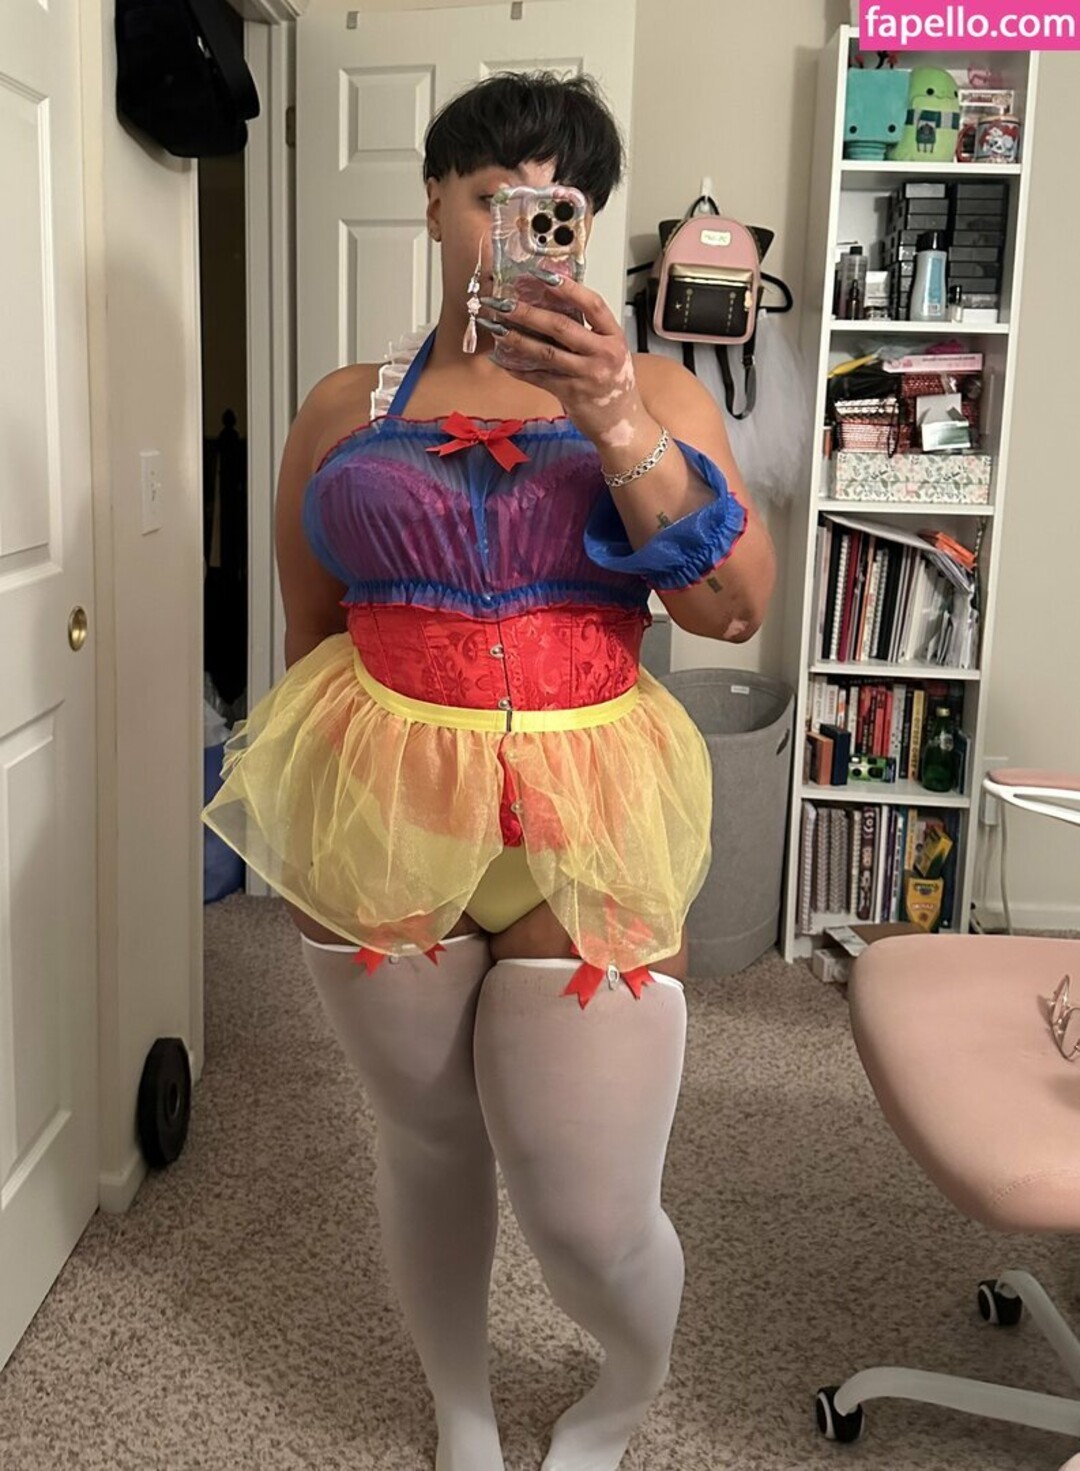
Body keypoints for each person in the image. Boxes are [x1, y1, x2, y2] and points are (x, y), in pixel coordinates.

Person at [203, 71, 775, 1471]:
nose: (518, 225)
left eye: (554, 204)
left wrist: (613, 416)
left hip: (592, 808)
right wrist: (322, 801)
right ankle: (460, 1405)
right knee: (428, 1143)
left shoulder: (654, 393)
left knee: (589, 1208)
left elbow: (733, 611)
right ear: (434, 208)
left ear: (586, 225)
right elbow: (310, 630)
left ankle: (621, 1391)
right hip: (383, 808)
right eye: (486, 195)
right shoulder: (343, 404)